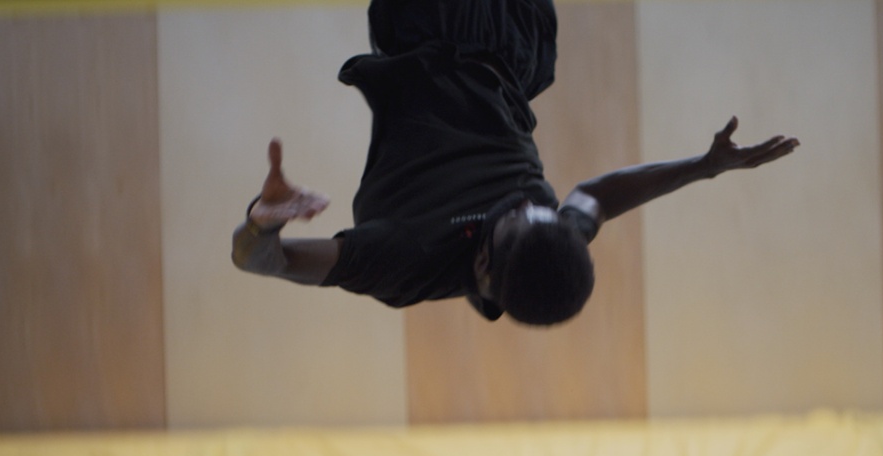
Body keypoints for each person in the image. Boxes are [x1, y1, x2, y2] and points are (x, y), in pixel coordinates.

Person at [232, 0, 799, 327]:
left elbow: (265, 263)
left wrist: (263, 220)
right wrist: (703, 165)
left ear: (482, 267)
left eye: (520, 215)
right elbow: (598, 197)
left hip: (426, 29)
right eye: (547, 213)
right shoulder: (548, 242)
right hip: (516, 51)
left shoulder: (404, 261)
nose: (535, 205)